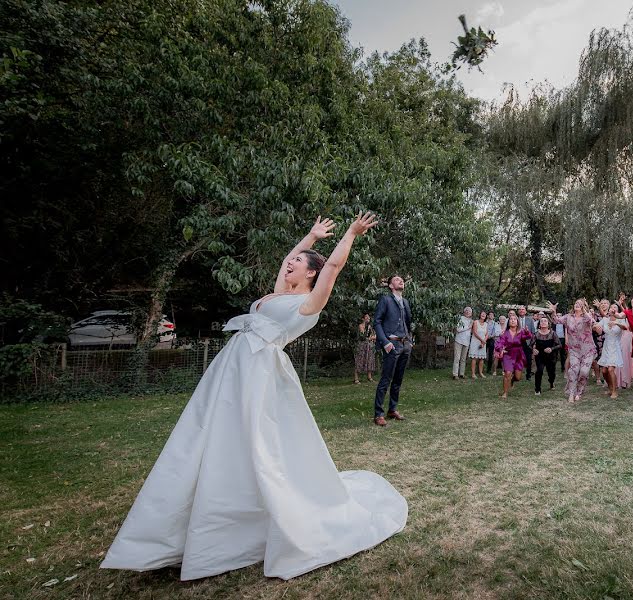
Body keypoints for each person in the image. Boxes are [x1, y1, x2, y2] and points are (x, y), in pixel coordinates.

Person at [101, 213, 407, 581]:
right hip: (232, 369)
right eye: (291, 260)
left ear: (311, 273)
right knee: (211, 434)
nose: (291, 261)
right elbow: (285, 260)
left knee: (256, 439)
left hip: (260, 372)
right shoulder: (278, 294)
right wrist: (310, 237)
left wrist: (350, 233)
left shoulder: (308, 304)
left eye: (298, 261)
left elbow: (335, 266)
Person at [372, 274, 413, 426]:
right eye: (396, 279)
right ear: (390, 285)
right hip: (392, 344)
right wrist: (385, 342)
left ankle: (392, 409)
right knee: (385, 380)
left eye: (401, 280)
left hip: (405, 345)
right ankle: (378, 414)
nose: (401, 281)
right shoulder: (386, 300)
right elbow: (377, 322)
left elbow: (408, 323)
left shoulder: (406, 302)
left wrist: (410, 340)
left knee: (398, 380)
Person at [549, 298, 599, 404]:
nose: (577, 305)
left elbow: (591, 321)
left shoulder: (586, 317)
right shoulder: (568, 317)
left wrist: (585, 311)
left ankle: (579, 391)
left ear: (583, 307)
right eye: (576, 303)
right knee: (573, 371)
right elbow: (556, 321)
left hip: (588, 350)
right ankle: (572, 393)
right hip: (574, 350)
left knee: (584, 372)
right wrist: (553, 311)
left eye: (580, 304)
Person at [494, 314, 532, 399]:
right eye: (511, 319)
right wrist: (501, 349)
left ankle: (512, 381)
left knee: (518, 377)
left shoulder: (521, 332)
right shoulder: (505, 333)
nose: (513, 320)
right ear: (508, 322)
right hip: (508, 355)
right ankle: (505, 393)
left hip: (519, 355)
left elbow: (529, 336)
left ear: (517, 322)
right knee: (507, 373)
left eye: (515, 319)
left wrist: (527, 331)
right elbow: (499, 343)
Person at [597, 303, 628, 399]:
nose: (612, 308)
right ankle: (610, 387)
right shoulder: (605, 319)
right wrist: (595, 327)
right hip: (606, 346)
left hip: (615, 347)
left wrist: (616, 323)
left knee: (610, 369)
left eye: (615, 307)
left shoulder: (621, 320)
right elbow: (597, 326)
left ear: (617, 310)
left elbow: (625, 327)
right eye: (611, 307)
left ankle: (615, 391)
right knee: (604, 371)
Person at [532, 316, 562, 395]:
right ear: (539, 324)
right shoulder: (536, 334)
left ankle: (551, 382)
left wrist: (551, 349)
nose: (543, 322)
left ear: (548, 324)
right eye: (541, 321)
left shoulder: (552, 333)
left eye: (545, 321)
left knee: (551, 372)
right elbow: (529, 345)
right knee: (539, 370)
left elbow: (559, 345)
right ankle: (537, 389)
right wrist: (533, 350)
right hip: (540, 356)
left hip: (551, 356)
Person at [353, 313, 377, 384]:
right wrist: (370, 337)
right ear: (363, 318)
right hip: (362, 346)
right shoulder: (361, 326)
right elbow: (363, 336)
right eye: (366, 317)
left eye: (368, 317)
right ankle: (356, 378)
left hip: (369, 346)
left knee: (369, 360)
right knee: (360, 360)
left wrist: (372, 337)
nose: (368, 318)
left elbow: (375, 336)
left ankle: (369, 377)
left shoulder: (370, 326)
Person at [452, 307, 473, 379]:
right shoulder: (460, 318)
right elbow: (458, 329)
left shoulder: (471, 320)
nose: (468, 312)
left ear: (471, 313)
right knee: (457, 358)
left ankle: (462, 373)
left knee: (463, 359)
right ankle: (455, 374)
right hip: (459, 340)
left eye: (469, 311)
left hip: (466, 341)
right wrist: (468, 327)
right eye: (466, 311)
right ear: (464, 312)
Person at [469, 310, 489, 378]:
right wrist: (482, 340)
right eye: (482, 314)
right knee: (474, 358)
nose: (483, 315)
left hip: (483, 342)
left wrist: (484, 341)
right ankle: (473, 374)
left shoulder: (486, 324)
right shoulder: (475, 322)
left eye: (485, 314)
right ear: (480, 315)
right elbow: (474, 332)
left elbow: (487, 334)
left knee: (481, 358)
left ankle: (481, 373)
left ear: (486, 316)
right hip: (475, 341)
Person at [519, 307, 536, 380]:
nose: (521, 310)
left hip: (528, 342)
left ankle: (528, 375)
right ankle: (517, 375)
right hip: (518, 342)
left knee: (529, 359)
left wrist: (532, 343)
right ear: (518, 311)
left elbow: (533, 332)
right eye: (520, 309)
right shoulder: (515, 319)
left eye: (523, 309)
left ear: (525, 311)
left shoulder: (530, 320)